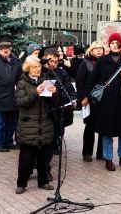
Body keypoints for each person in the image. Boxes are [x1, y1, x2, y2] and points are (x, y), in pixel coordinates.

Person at [87, 32, 121, 171]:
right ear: (109, 45)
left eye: (117, 43)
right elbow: (93, 80)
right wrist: (87, 97)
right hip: (106, 102)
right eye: (112, 43)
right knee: (107, 131)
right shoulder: (102, 61)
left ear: (120, 45)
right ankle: (108, 158)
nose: (114, 45)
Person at [14, 55, 56, 194]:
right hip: (28, 126)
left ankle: (43, 181)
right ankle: (21, 183)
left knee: (43, 157)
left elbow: (53, 103)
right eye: (35, 67)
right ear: (28, 68)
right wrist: (35, 92)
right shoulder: (22, 82)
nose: (38, 69)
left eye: (39, 66)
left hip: (45, 125)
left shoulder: (46, 80)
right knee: (26, 158)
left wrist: (55, 93)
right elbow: (20, 102)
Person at [41, 48, 77, 181]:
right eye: (51, 60)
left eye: (56, 61)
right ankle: (32, 167)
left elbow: (70, 90)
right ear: (45, 58)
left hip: (56, 113)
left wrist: (72, 99)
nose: (53, 63)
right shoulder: (39, 71)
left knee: (50, 143)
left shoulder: (61, 73)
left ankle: (46, 169)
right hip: (41, 113)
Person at [76, 41, 105, 162]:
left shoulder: (105, 63)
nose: (98, 50)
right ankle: (87, 153)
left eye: (100, 48)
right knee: (90, 127)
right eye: (96, 48)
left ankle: (101, 153)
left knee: (103, 127)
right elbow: (80, 82)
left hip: (104, 100)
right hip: (90, 100)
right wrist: (83, 97)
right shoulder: (85, 63)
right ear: (91, 51)